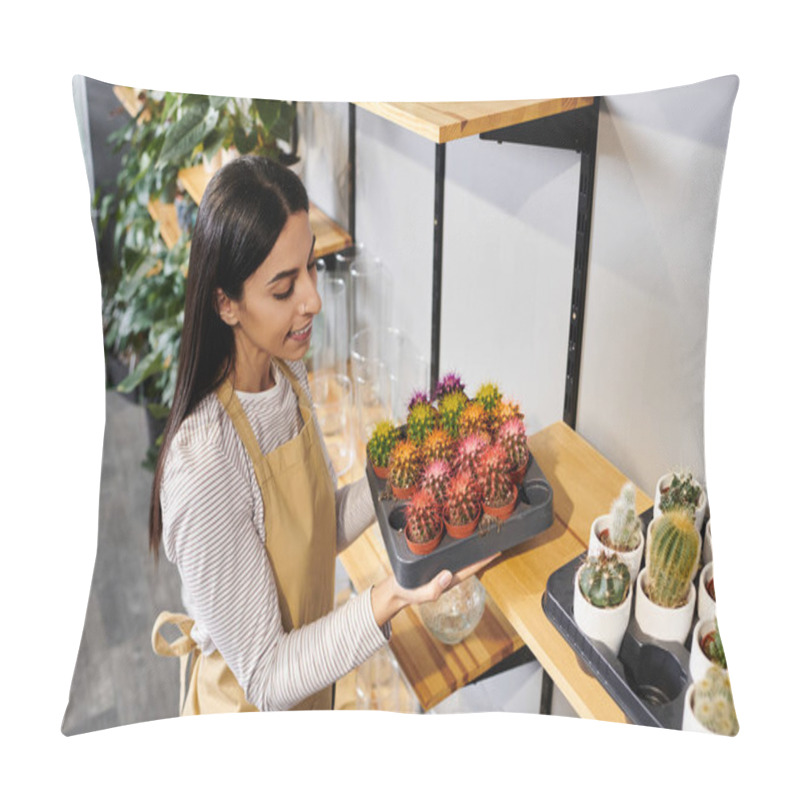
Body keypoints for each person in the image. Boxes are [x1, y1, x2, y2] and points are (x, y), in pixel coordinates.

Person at [149, 155, 494, 714]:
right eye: (284, 288)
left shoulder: (283, 374)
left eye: (309, 268)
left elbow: (318, 526)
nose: (311, 298)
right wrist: (391, 595)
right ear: (225, 303)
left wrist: (401, 475)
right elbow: (265, 677)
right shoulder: (205, 467)